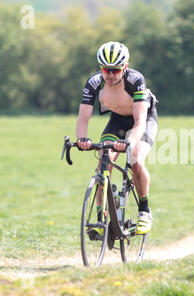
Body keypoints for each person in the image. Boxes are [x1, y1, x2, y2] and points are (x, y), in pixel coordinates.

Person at [76, 41, 158, 235]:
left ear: (125, 67)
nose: (110, 75)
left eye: (115, 70)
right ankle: (101, 217)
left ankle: (144, 211)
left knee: (135, 159)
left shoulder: (136, 80)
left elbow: (139, 122)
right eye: (106, 70)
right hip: (118, 120)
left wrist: (129, 143)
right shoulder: (94, 83)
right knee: (103, 162)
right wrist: (82, 139)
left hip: (143, 119)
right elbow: (83, 117)